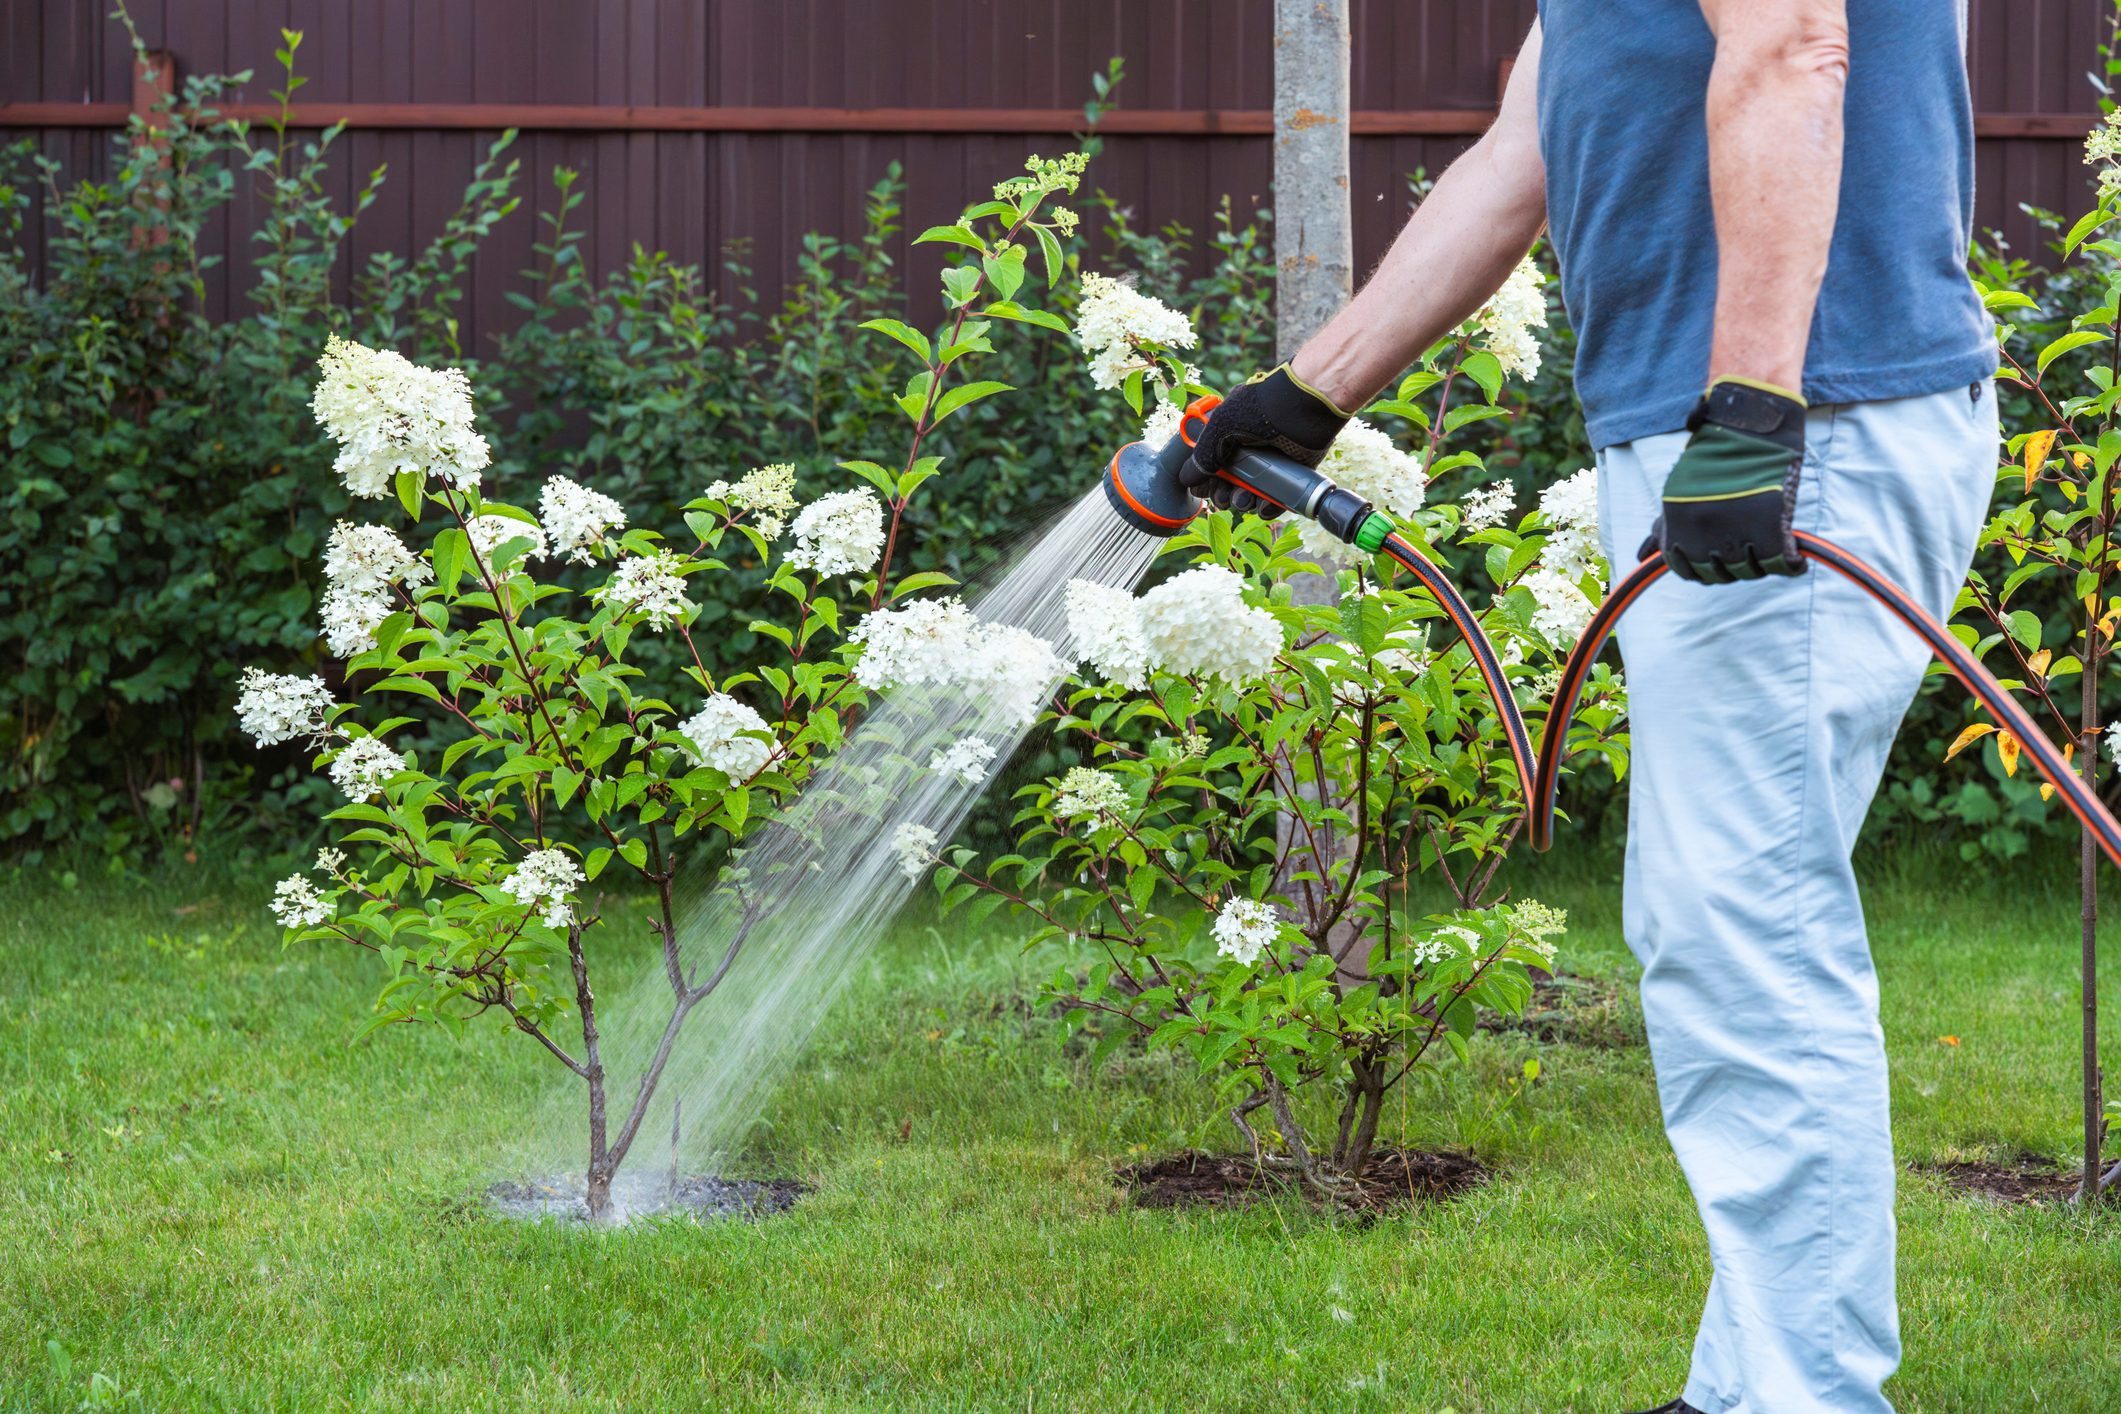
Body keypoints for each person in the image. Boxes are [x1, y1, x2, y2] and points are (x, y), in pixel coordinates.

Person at [1180, 3, 1997, 1410]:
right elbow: (1525, 151)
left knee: (1743, 924)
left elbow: (1798, 40)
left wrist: (1749, 405)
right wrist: (1308, 395)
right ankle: (1748, 1382)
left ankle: (1803, 1396)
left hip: (1795, 418)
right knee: (1723, 914)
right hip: (1737, 418)